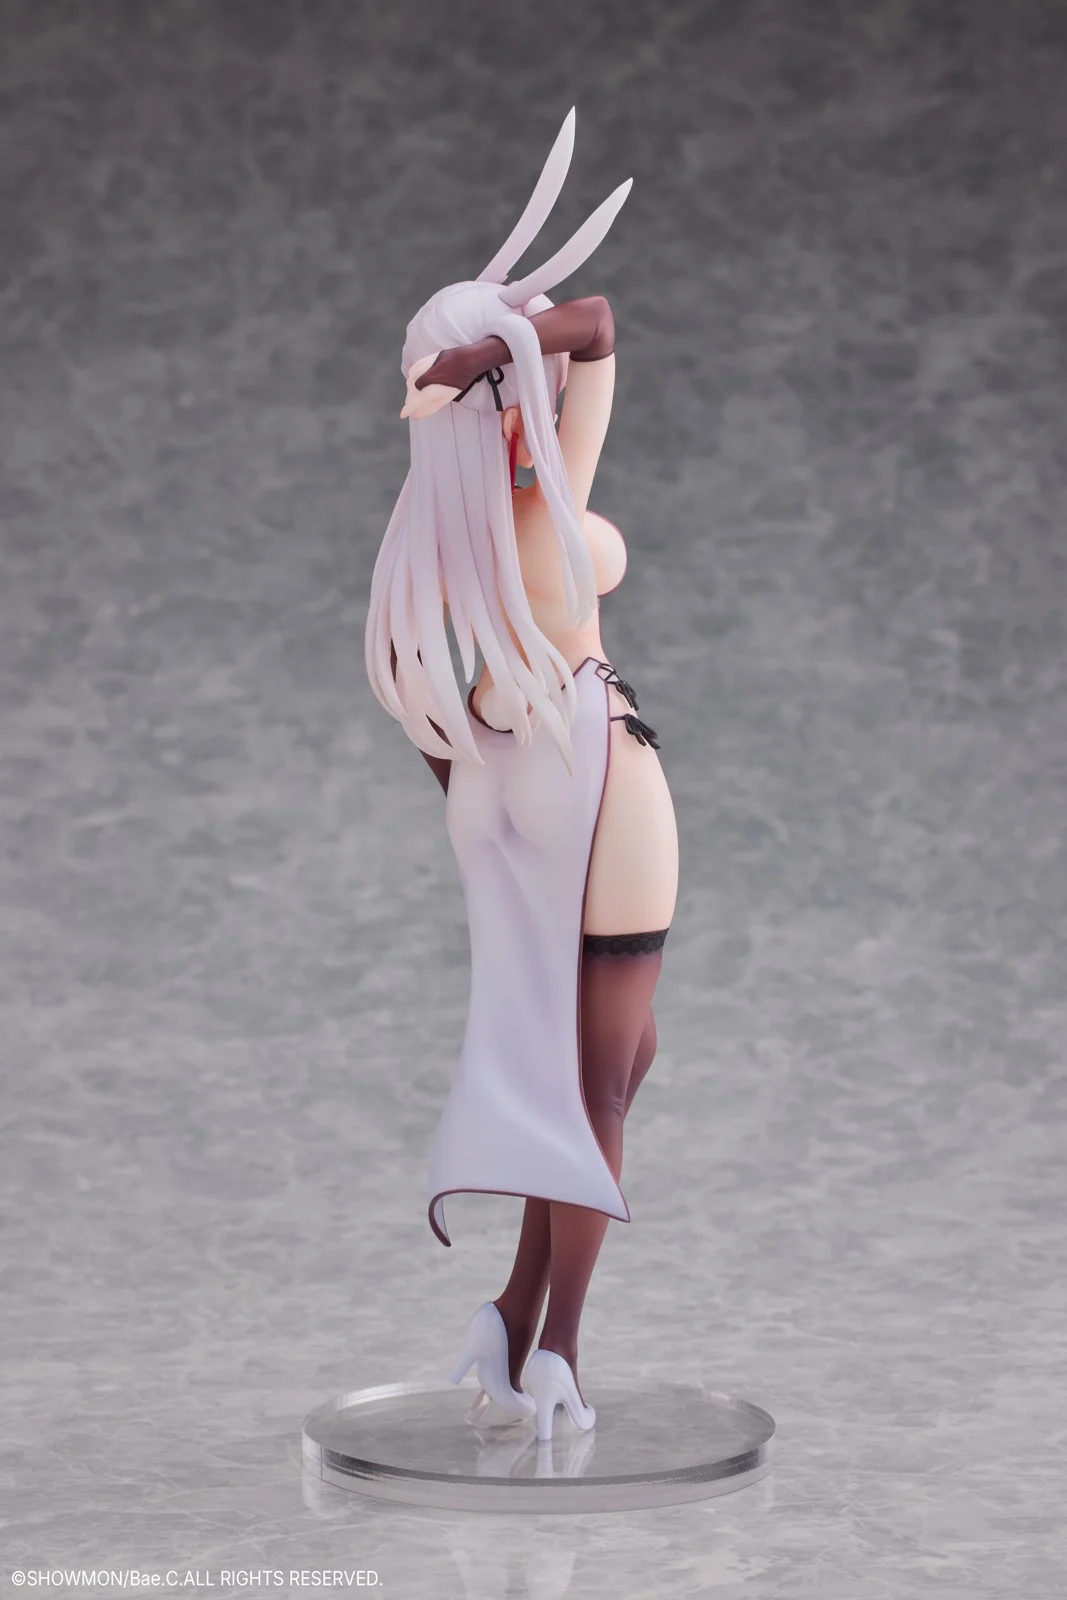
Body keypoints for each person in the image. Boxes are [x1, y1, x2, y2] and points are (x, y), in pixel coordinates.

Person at [365, 111, 679, 1442]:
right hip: (603, 781)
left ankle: (507, 1313)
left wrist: (483, 357)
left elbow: (415, 702)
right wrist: (499, 353)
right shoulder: (539, 508)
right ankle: (557, 1355)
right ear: (504, 402)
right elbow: (594, 325)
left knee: (613, 1056)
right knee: (594, 1080)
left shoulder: (442, 550)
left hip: (511, 785)